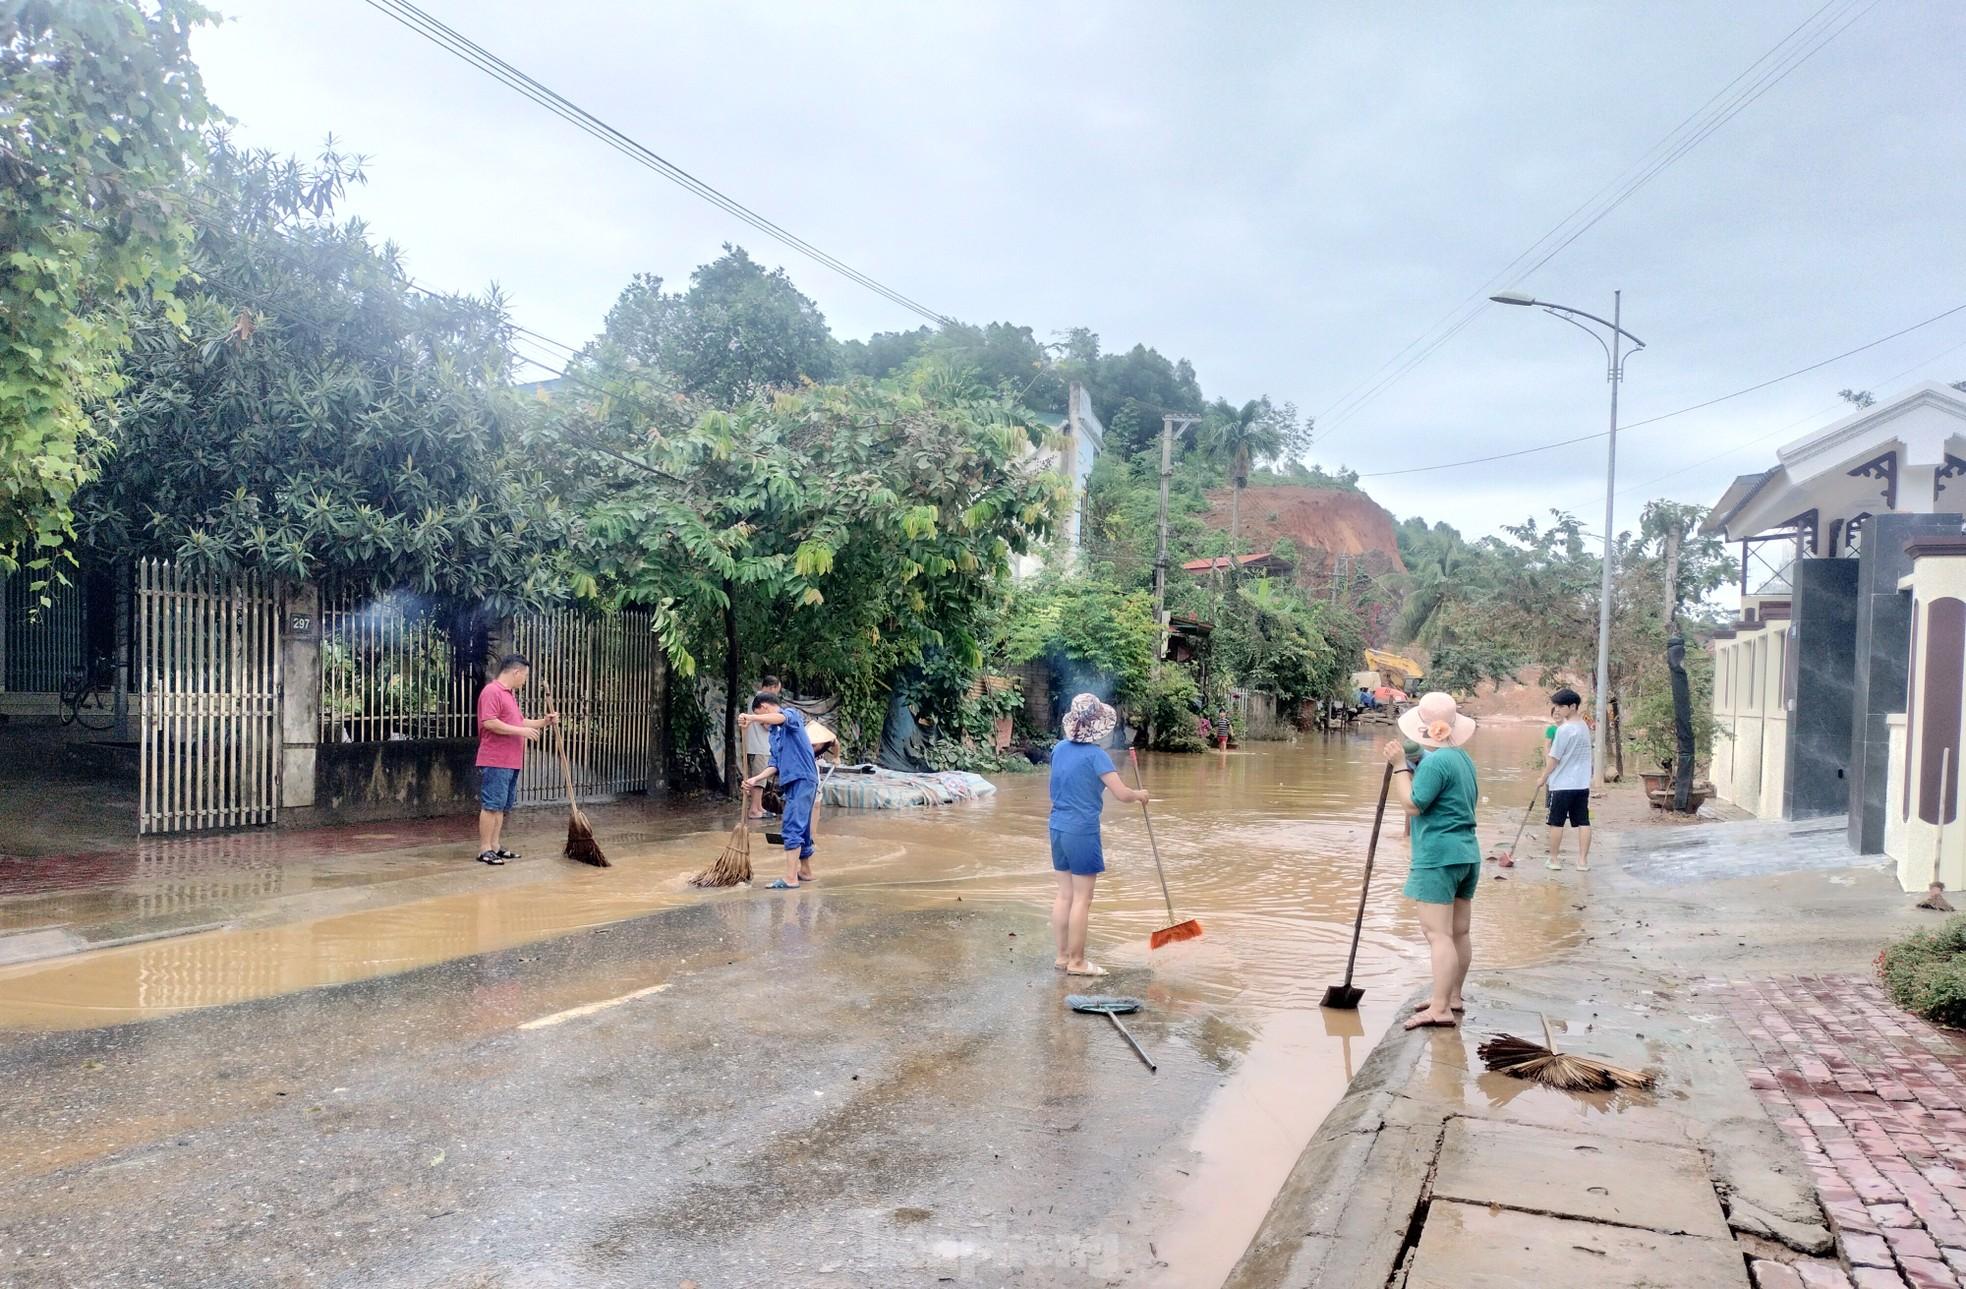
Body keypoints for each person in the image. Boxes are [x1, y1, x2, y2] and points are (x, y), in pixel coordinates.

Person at [1385, 690, 1480, 1029]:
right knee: (1459, 932)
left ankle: (1439, 1007)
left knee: (1437, 934)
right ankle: (1452, 996)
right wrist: (1411, 762)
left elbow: (1412, 805)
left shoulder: (1436, 762)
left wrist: (1399, 768)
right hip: (1467, 853)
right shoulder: (1461, 758)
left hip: (1437, 856)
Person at [1048, 693, 1150, 978]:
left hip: (1057, 825)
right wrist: (1139, 795)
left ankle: (1062, 956)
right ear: (1098, 726)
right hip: (1081, 830)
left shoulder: (1058, 749)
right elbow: (1122, 794)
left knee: (1064, 894)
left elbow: (1069, 781)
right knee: (1082, 899)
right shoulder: (1096, 756)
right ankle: (1078, 963)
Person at [473, 654, 556, 866]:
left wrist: (544, 722)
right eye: (525, 676)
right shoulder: (492, 692)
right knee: (491, 805)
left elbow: (519, 721)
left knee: (501, 806)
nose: (525, 680)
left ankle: (495, 846)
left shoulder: (509, 695)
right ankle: (484, 848)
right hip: (496, 758)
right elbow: (490, 722)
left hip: (510, 760)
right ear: (516, 672)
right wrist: (522, 730)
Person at [740, 692, 819, 888]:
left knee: (791, 826)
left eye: (761, 717)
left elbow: (780, 718)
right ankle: (805, 871)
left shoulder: (790, 715)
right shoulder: (774, 737)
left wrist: (751, 718)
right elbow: (774, 765)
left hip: (803, 778)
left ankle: (790, 879)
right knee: (803, 828)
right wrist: (755, 779)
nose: (761, 724)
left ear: (765, 708)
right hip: (792, 782)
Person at [1539, 687, 1594, 872]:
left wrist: (1542, 778)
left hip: (1561, 784)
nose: (1558, 710)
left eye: (1561, 707)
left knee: (1556, 822)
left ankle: (1554, 860)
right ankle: (1582, 861)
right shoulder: (1585, 727)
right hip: (1581, 784)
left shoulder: (1564, 730)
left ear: (1572, 706)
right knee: (1583, 822)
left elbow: (1554, 759)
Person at [744, 675, 783, 820]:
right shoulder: (760, 702)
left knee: (760, 778)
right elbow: (767, 724)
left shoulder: (756, 700)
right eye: (777, 691)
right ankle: (754, 809)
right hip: (759, 746)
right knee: (758, 779)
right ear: (772, 687)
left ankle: (759, 806)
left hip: (760, 746)